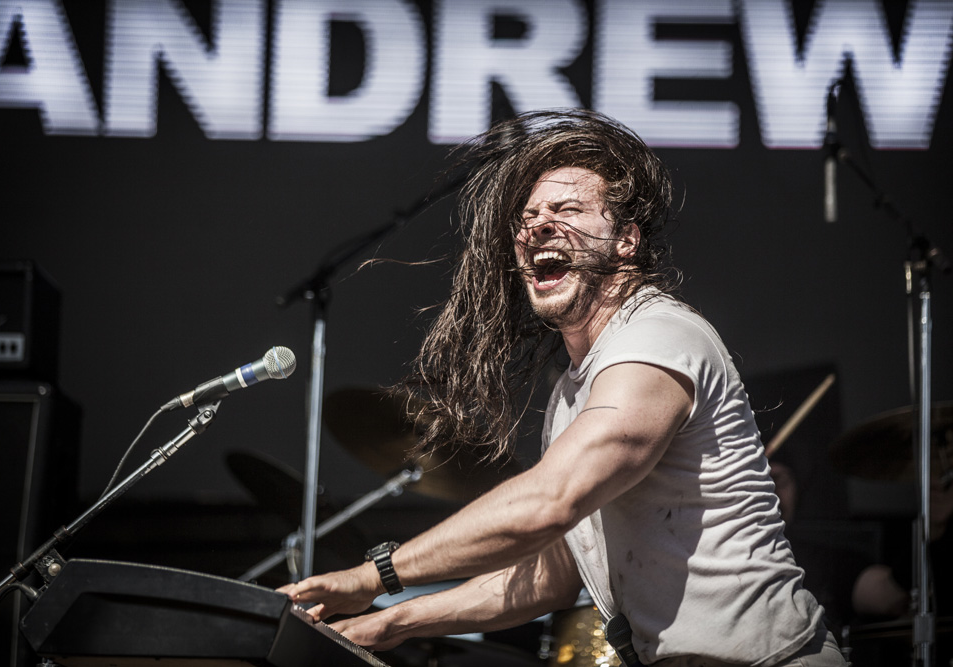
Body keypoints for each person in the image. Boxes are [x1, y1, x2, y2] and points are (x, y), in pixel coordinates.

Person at [279, 109, 846, 666]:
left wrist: (371, 576)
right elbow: (550, 578)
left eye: (567, 209)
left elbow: (548, 502)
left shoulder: (657, 336)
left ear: (626, 240)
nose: (538, 226)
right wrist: (392, 617)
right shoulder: (573, 394)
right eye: (528, 218)